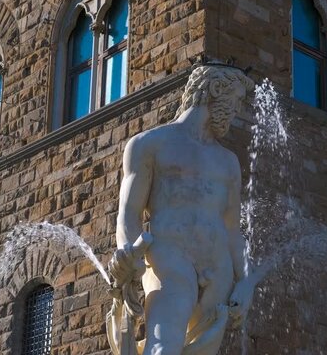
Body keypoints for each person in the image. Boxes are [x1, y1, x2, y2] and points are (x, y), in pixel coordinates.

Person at [109, 63, 259, 355]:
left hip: (218, 269)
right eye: (236, 100)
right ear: (215, 90)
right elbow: (128, 214)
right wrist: (128, 255)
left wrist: (247, 281)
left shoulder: (228, 161)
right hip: (170, 259)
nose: (236, 110)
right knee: (163, 346)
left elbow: (232, 231)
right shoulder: (149, 144)